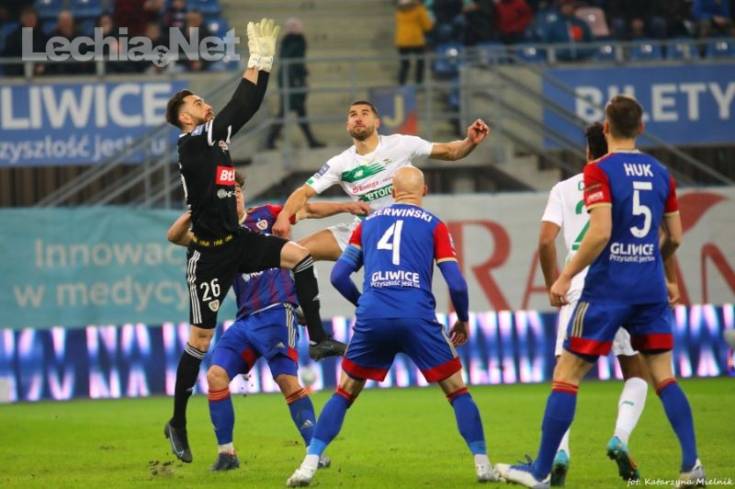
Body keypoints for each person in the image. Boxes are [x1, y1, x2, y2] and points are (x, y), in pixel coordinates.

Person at [496, 95, 704, 488]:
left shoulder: (599, 170)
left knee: (567, 373)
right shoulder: (661, 173)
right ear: (642, 127)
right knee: (663, 376)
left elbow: (601, 232)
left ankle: (541, 471)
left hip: (607, 288)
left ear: (606, 129)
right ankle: (691, 466)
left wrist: (564, 276)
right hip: (649, 289)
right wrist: (660, 270)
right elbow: (674, 236)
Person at [163, 18, 345, 464]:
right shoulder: (192, 142)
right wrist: (257, 60)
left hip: (237, 241)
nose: (205, 104)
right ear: (185, 118)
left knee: (299, 256)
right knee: (200, 340)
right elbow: (238, 109)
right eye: (197, 102)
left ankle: (319, 337)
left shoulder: (214, 142)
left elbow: (247, 106)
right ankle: (178, 421)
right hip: (208, 256)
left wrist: (263, 65)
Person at [286, 167, 501, 487]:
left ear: (392, 191)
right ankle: (483, 466)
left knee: (344, 393)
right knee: (458, 392)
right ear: (424, 190)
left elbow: (338, 276)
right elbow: (456, 283)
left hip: (374, 316)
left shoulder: (367, 224)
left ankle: (308, 465)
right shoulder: (435, 225)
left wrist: (363, 304)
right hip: (417, 317)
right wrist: (464, 319)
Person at [167, 171, 361, 471]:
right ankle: (227, 454)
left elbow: (307, 210)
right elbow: (176, 236)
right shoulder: (216, 235)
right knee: (215, 376)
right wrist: (199, 209)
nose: (235, 196)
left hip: (276, 312)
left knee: (286, 381)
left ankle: (315, 452)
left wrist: (346, 207)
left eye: (238, 191)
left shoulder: (267, 216)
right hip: (244, 320)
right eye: (228, 192)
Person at [538, 123, 651, 485]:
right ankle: (620, 437)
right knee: (635, 371)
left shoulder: (564, 188)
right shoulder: (630, 186)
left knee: (564, 375)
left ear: (587, 151)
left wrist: (554, 284)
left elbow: (545, 241)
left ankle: (560, 451)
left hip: (577, 288)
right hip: (622, 286)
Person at [271, 100, 490, 261]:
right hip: (364, 231)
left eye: (365, 113)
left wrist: (470, 141)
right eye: (353, 114)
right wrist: (283, 215)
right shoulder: (340, 163)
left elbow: (450, 152)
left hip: (401, 230)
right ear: (347, 125)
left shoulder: (401, 144)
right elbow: (304, 192)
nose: (358, 117)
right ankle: (293, 304)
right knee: (293, 253)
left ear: (377, 122)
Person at [266, 18, 325, 150]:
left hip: (294, 79)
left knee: (296, 111)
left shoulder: (298, 40)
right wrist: (300, 79)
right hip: (289, 80)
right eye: (291, 26)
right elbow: (288, 59)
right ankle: (271, 140)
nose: (294, 28)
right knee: (290, 111)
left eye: (296, 25)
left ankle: (310, 141)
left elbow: (297, 61)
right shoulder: (289, 41)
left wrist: (302, 76)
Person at [394, 0, 433, 85]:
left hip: (402, 40)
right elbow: (427, 26)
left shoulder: (399, 9)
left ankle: (401, 84)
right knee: (420, 62)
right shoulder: (419, 9)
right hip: (416, 40)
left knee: (404, 64)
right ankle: (419, 83)